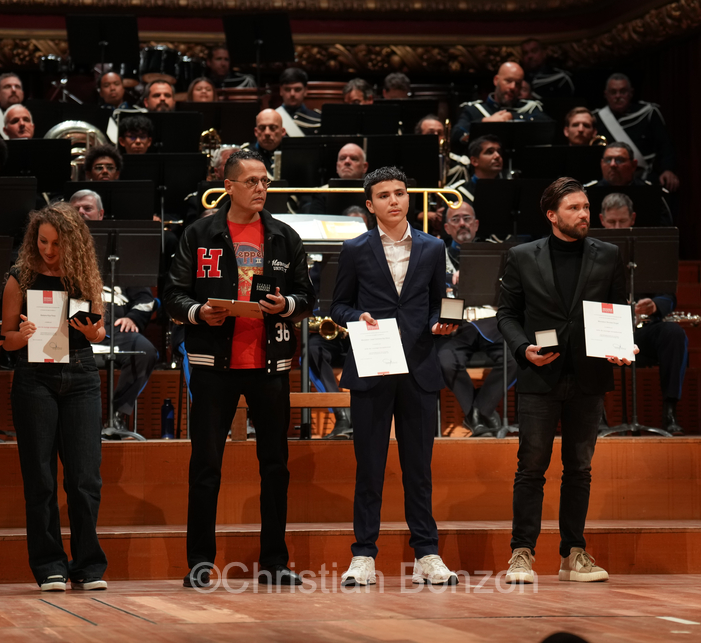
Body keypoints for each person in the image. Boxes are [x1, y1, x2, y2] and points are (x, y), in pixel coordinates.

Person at [163, 149, 314, 589]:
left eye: (265, 181)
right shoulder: (199, 234)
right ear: (227, 186)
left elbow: (307, 297)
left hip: (270, 364)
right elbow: (172, 295)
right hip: (214, 363)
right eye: (251, 181)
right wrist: (197, 313)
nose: (261, 188)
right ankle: (199, 563)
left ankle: (274, 562)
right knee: (206, 465)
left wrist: (286, 305)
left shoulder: (285, 236)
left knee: (275, 466)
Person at [497, 177, 632, 585]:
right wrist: (524, 350)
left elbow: (616, 309)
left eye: (586, 207)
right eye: (574, 208)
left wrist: (621, 343)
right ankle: (522, 553)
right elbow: (506, 315)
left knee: (579, 468)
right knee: (531, 468)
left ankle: (574, 553)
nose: (584, 214)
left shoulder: (608, 254)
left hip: (590, 374)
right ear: (552, 215)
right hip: (540, 374)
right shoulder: (522, 256)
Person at [331, 166, 460, 588]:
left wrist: (445, 322)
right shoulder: (354, 248)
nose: (394, 201)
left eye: (400, 193)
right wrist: (357, 317)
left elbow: (441, 302)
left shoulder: (432, 246)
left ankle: (426, 552)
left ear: (408, 198)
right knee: (369, 466)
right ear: (370, 205)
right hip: (372, 365)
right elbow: (339, 306)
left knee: (418, 469)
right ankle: (363, 555)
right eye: (384, 195)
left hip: (420, 368)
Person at [1, 203, 108, 591]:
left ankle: (89, 564)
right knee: (41, 477)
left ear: (74, 243)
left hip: (80, 373)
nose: (48, 250)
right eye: (42, 241)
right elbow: (5, 340)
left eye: (57, 243)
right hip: (34, 377)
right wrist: (22, 335)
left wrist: (92, 331)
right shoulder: (20, 277)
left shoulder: (84, 276)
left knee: (84, 478)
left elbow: (99, 333)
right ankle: (49, 565)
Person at [69, 191, 158, 433]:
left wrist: (132, 318)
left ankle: (117, 416)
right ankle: (78, 423)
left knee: (145, 351)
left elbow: (145, 299)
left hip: (116, 328)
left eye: (87, 208)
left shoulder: (120, 250)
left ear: (100, 214)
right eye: (75, 208)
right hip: (73, 327)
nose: (81, 213)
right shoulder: (58, 248)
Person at [598, 192, 686, 435]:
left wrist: (654, 305)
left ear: (633, 219)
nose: (617, 227)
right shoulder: (592, 252)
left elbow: (669, 296)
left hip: (644, 331)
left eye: (622, 222)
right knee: (582, 337)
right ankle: (598, 416)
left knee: (673, 334)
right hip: (607, 330)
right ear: (602, 220)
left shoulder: (650, 250)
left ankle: (670, 412)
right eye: (612, 222)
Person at [438, 201, 515, 437]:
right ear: (447, 228)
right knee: (444, 360)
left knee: (516, 357)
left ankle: (478, 412)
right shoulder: (435, 256)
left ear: (477, 224)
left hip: (492, 323)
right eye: (455, 219)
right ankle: (482, 414)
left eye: (467, 218)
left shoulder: (497, 253)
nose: (462, 223)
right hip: (457, 325)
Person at [594, 74, 679, 191]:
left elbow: (665, 145)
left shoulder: (648, 113)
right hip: (609, 181)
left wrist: (668, 170)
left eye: (623, 91)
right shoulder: (596, 118)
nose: (618, 96)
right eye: (613, 92)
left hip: (645, 178)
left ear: (631, 93)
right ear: (606, 95)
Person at [452, 62, 549, 150]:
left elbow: (547, 125)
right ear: (496, 80)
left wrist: (513, 116)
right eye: (508, 81)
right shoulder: (474, 110)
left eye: (518, 84)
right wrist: (484, 122)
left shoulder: (530, 108)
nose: (513, 87)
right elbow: (456, 135)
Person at [448, 134, 503, 204]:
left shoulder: (509, 190)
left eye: (499, 152)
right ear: (474, 161)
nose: (497, 156)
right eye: (490, 152)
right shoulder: (456, 194)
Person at [276, 67, 316, 136]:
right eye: (287, 89)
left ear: (306, 90)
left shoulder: (317, 119)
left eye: (297, 89)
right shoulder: (271, 118)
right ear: (281, 90)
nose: (292, 94)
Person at [246, 109, 285, 177]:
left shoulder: (294, 155)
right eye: (262, 128)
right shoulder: (245, 155)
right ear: (256, 132)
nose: (267, 133)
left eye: (273, 127)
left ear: (283, 131)